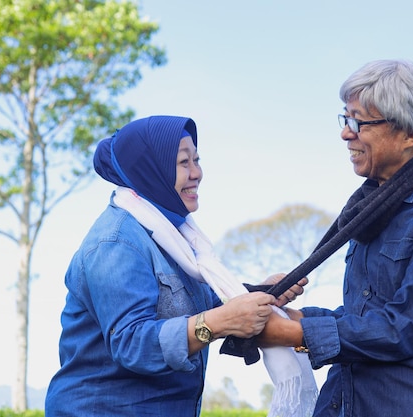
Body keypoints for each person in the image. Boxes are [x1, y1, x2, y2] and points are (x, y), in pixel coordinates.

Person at [256, 59, 413, 416]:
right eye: (345, 118)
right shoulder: (372, 206)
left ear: (412, 132)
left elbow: (406, 326)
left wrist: (292, 334)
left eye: (359, 122)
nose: (345, 133)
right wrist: (291, 315)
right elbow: (364, 316)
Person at [44, 115, 308, 416]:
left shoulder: (173, 237)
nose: (197, 173)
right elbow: (132, 343)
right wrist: (221, 322)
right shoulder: (116, 243)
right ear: (149, 169)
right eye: (184, 162)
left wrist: (261, 292)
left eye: (197, 160)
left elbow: (198, 304)